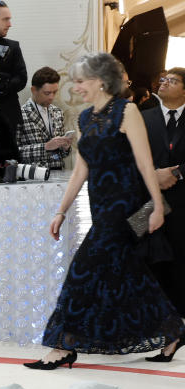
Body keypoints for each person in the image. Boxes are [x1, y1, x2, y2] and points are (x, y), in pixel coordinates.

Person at [25, 53, 184, 370]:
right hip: (100, 206)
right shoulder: (85, 119)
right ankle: (173, 329)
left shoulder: (128, 111)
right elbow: (79, 172)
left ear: (100, 81)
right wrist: (60, 212)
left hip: (124, 207)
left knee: (81, 271)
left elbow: (143, 164)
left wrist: (156, 208)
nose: (77, 86)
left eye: (81, 80)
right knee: (127, 274)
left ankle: (61, 346)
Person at [141, 68, 185, 355]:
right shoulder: (145, 117)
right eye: (163, 80)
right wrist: (153, 174)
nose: (164, 83)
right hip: (149, 200)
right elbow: (134, 154)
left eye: (173, 80)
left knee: (181, 259)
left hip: (183, 199)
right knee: (151, 258)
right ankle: (160, 323)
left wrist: (178, 174)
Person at [17, 66, 71, 169]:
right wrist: (45, 147)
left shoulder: (58, 112)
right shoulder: (20, 114)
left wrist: (65, 147)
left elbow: (64, 154)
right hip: (34, 176)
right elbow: (15, 152)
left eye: (55, 92)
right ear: (34, 90)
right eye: (47, 93)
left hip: (59, 173)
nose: (52, 97)